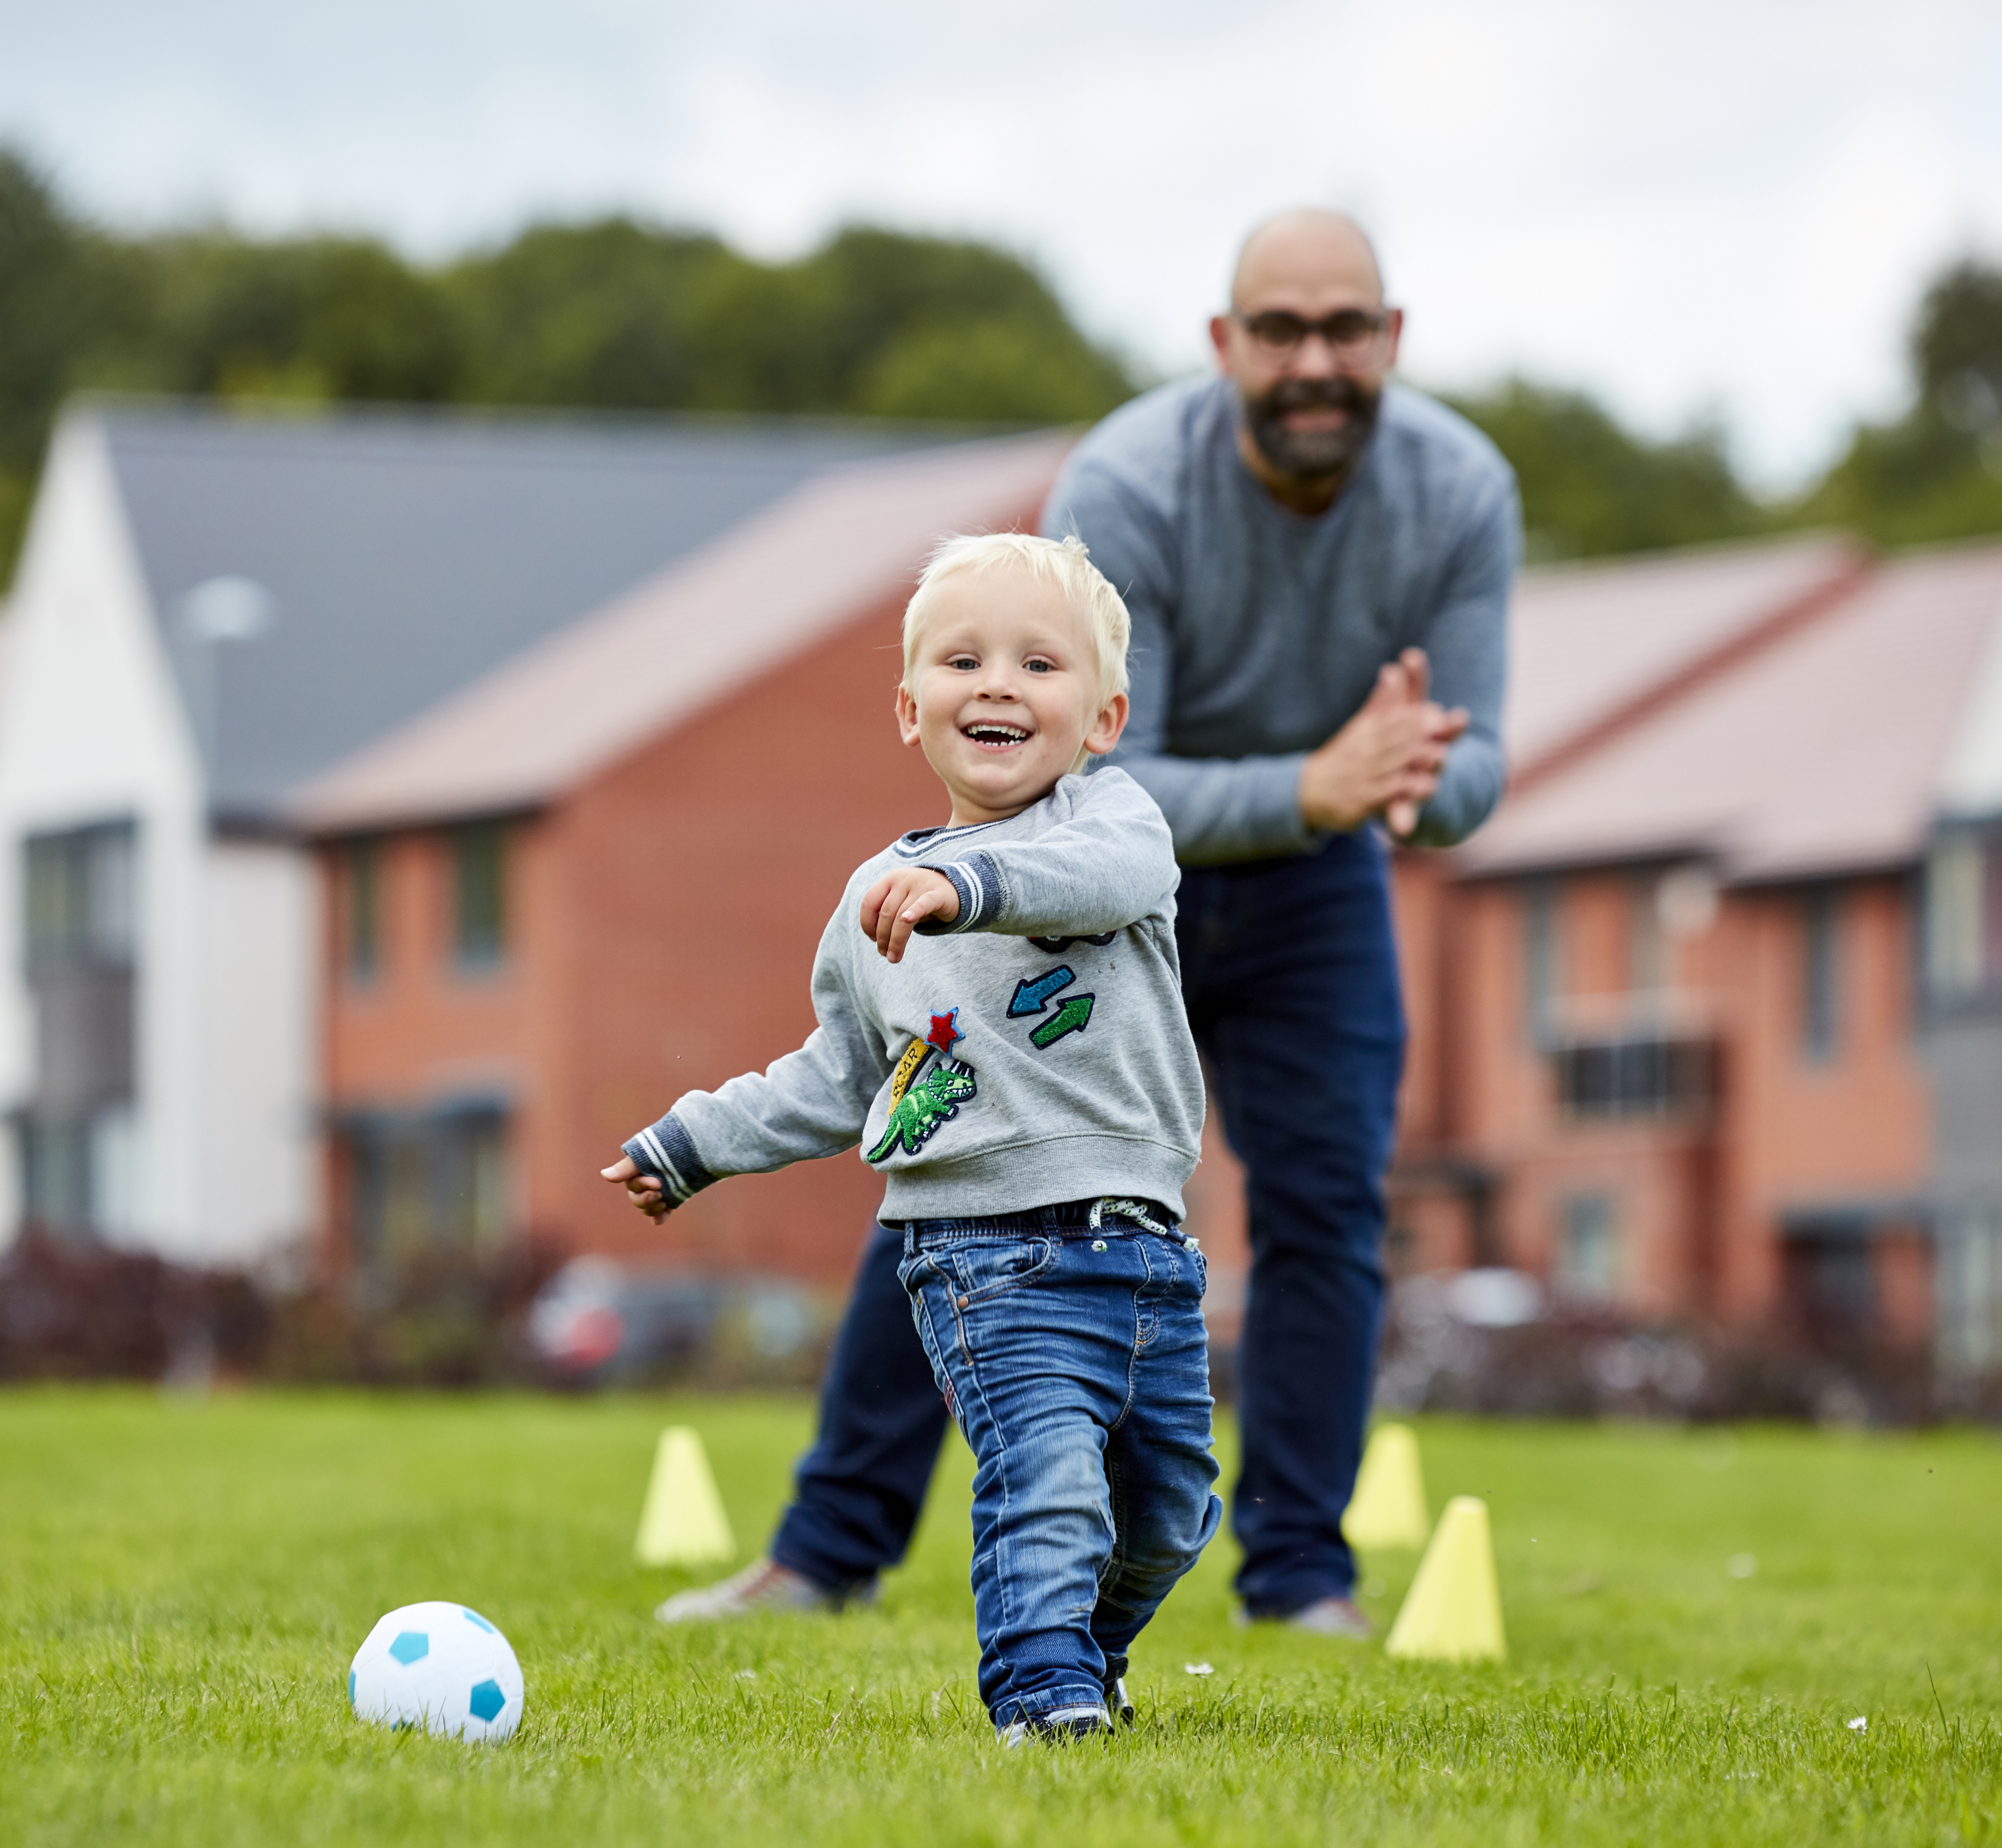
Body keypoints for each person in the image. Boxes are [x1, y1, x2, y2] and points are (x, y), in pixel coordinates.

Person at [660, 208, 1513, 1637]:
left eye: (1345, 330)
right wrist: (1317, 781)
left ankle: (1301, 1580)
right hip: (1077, 875)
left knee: (1328, 1212)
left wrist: (1420, 785)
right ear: (1224, 346)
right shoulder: (1128, 482)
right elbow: (1108, 785)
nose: (1315, 360)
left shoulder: (1462, 489)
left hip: (1316, 892)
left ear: (1392, 342)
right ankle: (824, 1553)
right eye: (1282, 330)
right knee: (953, 1155)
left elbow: (1480, 757)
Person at [604, 532, 1217, 1742]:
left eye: (1039, 664)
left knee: (1167, 1514)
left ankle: (1087, 1652)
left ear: (1101, 717)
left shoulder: (1116, 826)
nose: (996, 683)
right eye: (962, 660)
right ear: (908, 707)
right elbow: (835, 1074)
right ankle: (1041, 1697)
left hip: (1145, 1253)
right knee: (1047, 1482)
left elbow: (1091, 879)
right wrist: (695, 1140)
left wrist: (968, 885)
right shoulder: (873, 898)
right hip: (979, 1260)